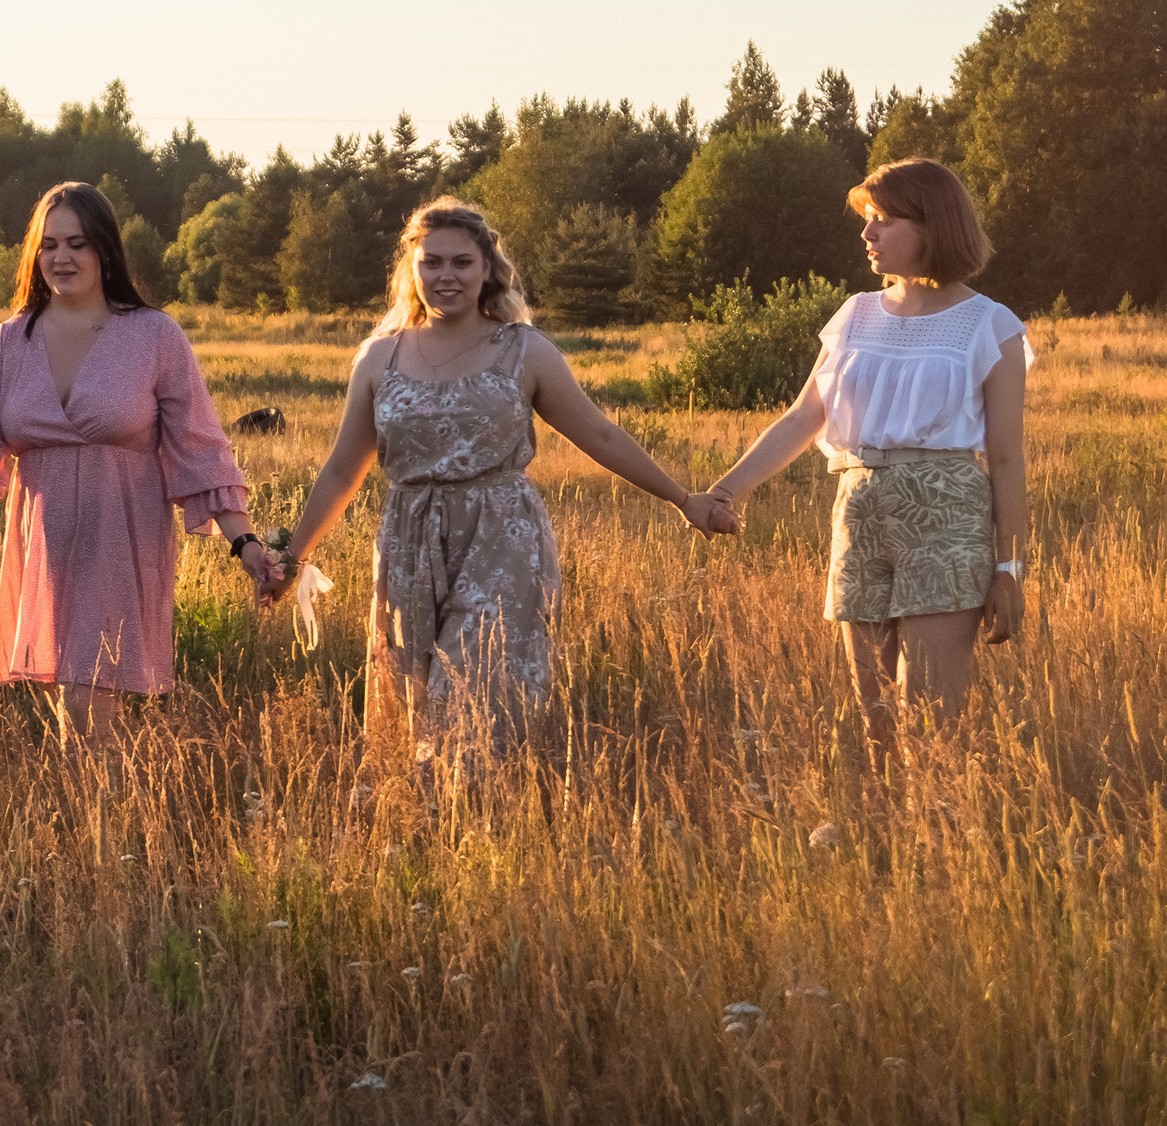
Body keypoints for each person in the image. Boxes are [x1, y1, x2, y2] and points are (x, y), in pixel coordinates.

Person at [281, 197, 729, 766]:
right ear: (411, 270)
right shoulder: (378, 358)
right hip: (409, 544)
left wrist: (682, 499)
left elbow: (601, 436)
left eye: (461, 263)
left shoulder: (524, 351)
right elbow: (345, 467)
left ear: (487, 269)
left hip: (502, 538)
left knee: (478, 688)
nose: (446, 277)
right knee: (416, 695)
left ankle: (487, 820)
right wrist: (294, 556)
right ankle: (433, 832)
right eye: (432, 263)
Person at [0, 182, 283, 755]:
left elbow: (201, 449)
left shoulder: (155, 336)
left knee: (86, 696)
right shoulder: (8, 343)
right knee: (71, 699)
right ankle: (99, 827)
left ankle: (107, 828)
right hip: (45, 541)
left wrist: (245, 542)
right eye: (49, 244)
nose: (62, 257)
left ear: (104, 250)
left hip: (120, 535)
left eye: (77, 243)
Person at [706, 158, 1029, 772]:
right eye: (868, 220)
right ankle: (891, 852)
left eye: (883, 220)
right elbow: (804, 418)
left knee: (931, 716)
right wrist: (727, 490)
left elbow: (1008, 457)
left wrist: (1009, 566)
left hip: (946, 517)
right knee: (875, 714)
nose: (867, 234)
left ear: (932, 226)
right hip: (858, 514)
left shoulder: (989, 325)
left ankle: (941, 843)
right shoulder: (855, 314)